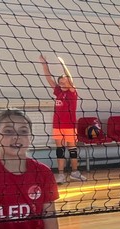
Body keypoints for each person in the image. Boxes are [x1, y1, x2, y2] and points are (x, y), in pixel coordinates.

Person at [38, 56, 85, 184]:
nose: (64, 83)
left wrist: (63, 64)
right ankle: (61, 175)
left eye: (65, 81)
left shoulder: (72, 92)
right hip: (57, 125)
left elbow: (70, 78)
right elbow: (49, 78)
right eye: (61, 82)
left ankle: (75, 172)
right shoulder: (58, 92)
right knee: (60, 149)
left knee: (72, 149)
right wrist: (44, 64)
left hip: (70, 126)